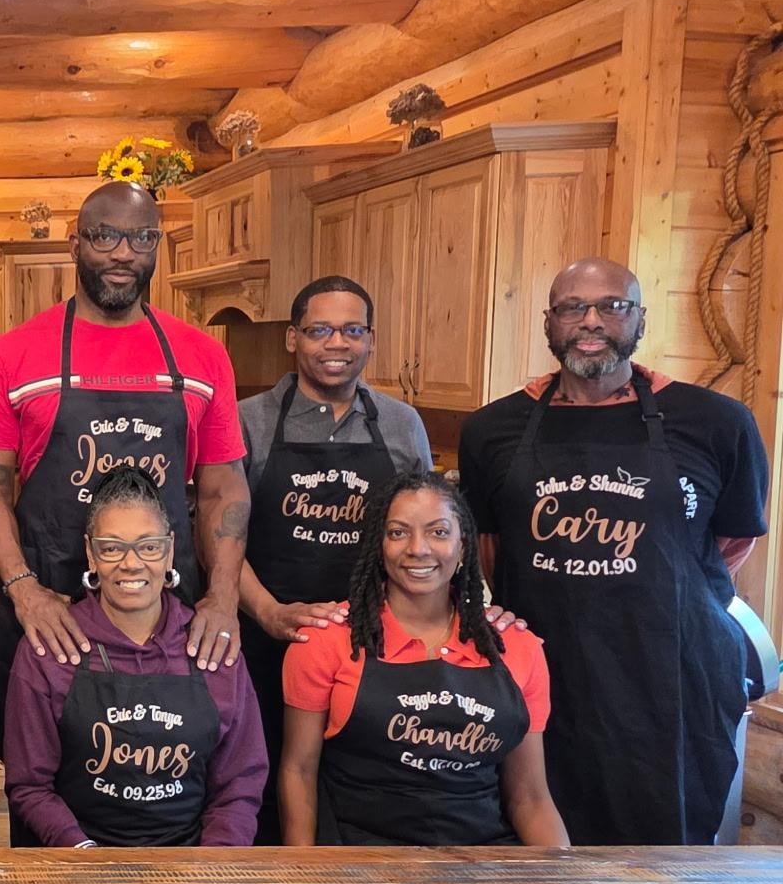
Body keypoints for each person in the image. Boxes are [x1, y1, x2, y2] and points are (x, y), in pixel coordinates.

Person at [0, 181, 250, 841]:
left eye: (142, 237)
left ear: (157, 247)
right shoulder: (14, 354)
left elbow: (224, 491)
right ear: (76, 244)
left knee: (174, 777)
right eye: (105, 236)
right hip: (47, 617)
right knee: (39, 787)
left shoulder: (202, 357)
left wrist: (223, 597)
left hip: (165, 620)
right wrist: (24, 590)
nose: (124, 252)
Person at [459, 258, 769, 845]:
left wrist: (658, 595)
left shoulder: (717, 422)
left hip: (673, 684)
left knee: (664, 859)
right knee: (537, 849)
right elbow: (490, 548)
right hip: (545, 676)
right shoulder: (491, 429)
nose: (591, 321)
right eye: (573, 307)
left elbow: (732, 543)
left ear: (640, 318)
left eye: (612, 305)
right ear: (549, 321)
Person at [237, 275, 432, 841]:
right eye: (320, 330)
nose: (337, 343)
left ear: (371, 339)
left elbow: (424, 535)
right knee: (266, 781)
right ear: (292, 338)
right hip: (266, 640)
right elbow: (218, 538)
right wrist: (268, 612)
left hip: (372, 650)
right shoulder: (249, 420)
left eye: (352, 330)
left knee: (361, 787)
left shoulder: (400, 424)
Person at [281, 471, 567, 848]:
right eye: (398, 532)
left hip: (482, 860)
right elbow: (298, 773)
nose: (418, 548)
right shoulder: (325, 639)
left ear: (463, 546)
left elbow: (529, 798)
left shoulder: (518, 645)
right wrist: (303, 872)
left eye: (438, 532)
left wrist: (563, 876)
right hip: (358, 857)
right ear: (379, 545)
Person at [3, 467, 266, 847]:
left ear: (170, 550)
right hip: (80, 860)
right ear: (91, 553)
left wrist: (212, 863)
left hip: (196, 861)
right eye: (112, 547)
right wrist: (84, 855)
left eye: (149, 546)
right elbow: (30, 785)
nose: (131, 563)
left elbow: (240, 784)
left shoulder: (211, 644)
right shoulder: (50, 649)